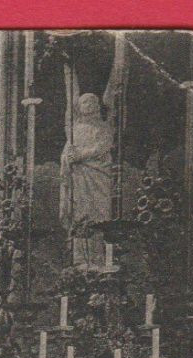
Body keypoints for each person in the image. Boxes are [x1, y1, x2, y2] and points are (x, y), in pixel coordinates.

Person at [61, 92, 116, 269]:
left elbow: (102, 147)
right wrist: (68, 158)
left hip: (98, 176)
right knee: (81, 214)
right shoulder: (75, 129)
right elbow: (67, 152)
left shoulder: (103, 127)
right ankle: (80, 261)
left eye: (92, 101)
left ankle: (99, 260)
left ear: (98, 105)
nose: (88, 104)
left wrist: (81, 155)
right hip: (80, 178)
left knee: (99, 214)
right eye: (84, 102)